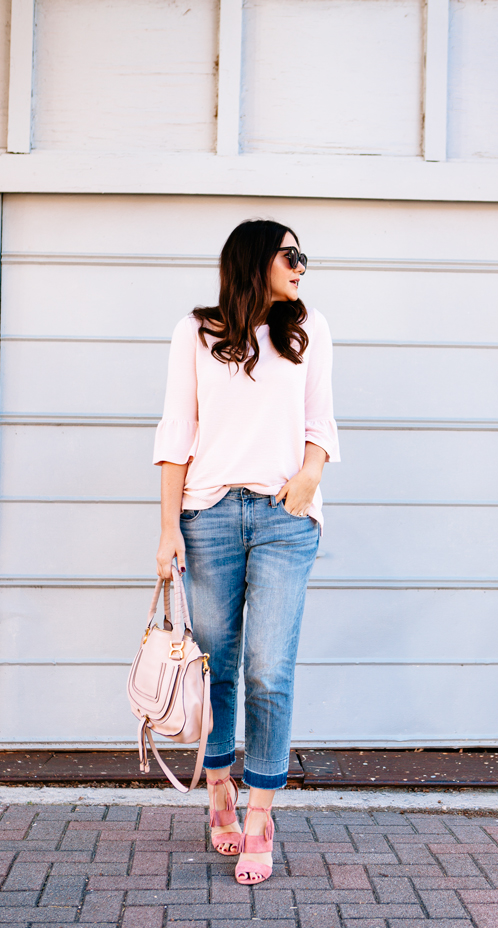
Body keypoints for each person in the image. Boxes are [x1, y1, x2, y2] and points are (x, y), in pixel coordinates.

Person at [154, 218, 339, 885]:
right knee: (218, 666)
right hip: (207, 515)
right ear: (255, 259)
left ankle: (260, 812)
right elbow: (179, 428)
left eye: (302, 255)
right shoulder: (196, 333)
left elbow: (322, 421)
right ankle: (218, 791)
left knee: (269, 667)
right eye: (290, 254)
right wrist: (169, 527)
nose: (300, 265)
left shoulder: (309, 328)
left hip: (284, 518)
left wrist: (309, 476)